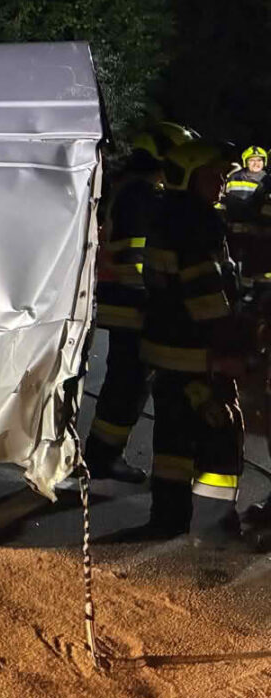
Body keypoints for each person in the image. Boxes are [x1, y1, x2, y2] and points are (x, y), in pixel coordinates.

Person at [113, 140, 247, 543]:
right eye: (214, 175)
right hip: (198, 355)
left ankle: (167, 519)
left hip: (168, 352)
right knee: (220, 436)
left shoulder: (169, 216)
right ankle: (215, 524)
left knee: (173, 442)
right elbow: (205, 299)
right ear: (188, 177)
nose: (222, 182)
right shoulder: (196, 224)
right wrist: (234, 347)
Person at [85, 122, 198, 482]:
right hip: (133, 302)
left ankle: (103, 454)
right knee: (129, 382)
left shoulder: (133, 189)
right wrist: (155, 298)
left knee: (127, 380)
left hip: (126, 299)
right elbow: (138, 254)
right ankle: (103, 457)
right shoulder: (144, 195)